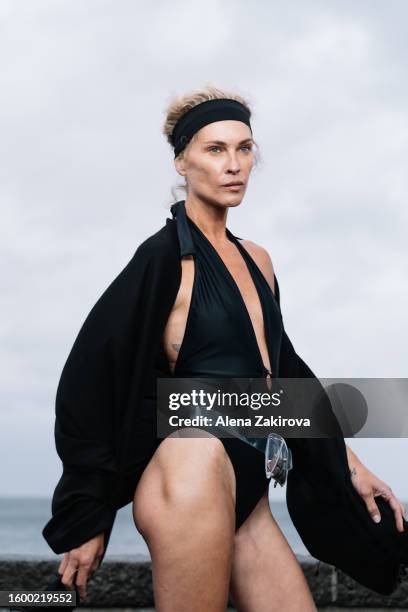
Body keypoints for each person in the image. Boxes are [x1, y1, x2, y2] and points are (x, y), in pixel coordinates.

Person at [43, 85, 408, 611]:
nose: (234, 164)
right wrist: (87, 515)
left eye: (244, 148)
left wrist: (348, 462)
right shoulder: (165, 260)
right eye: (215, 150)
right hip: (191, 466)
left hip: (250, 484)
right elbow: (90, 382)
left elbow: (281, 373)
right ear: (182, 161)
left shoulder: (258, 260)